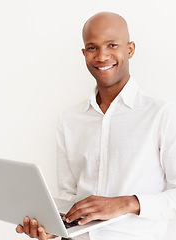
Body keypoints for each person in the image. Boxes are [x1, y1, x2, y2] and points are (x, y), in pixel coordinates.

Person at [16, 11, 176, 240]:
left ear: (130, 49)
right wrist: (54, 228)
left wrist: (127, 203)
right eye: (92, 47)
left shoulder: (163, 114)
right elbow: (68, 197)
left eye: (112, 45)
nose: (102, 56)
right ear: (84, 53)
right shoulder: (69, 119)